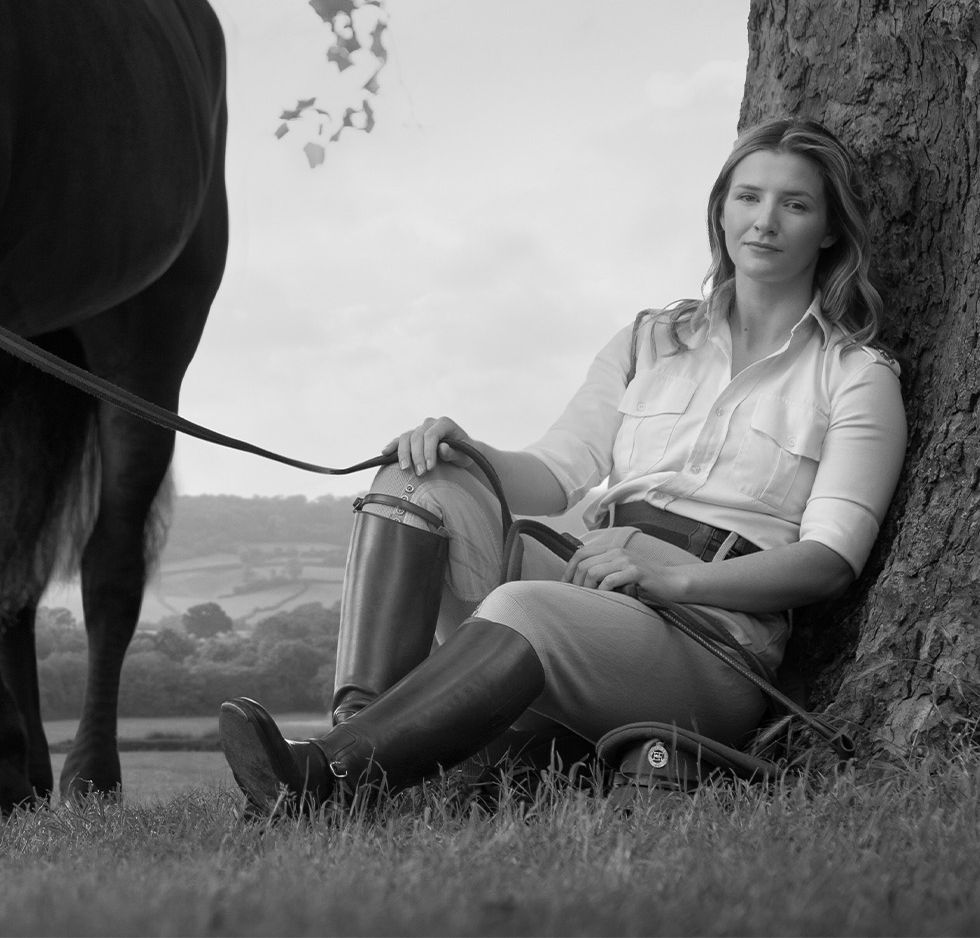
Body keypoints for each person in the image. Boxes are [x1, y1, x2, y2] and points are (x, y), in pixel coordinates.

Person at [220, 116, 907, 811]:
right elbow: (554, 474)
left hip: (712, 639)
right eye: (747, 197)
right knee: (416, 481)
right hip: (592, 580)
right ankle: (357, 739)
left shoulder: (852, 375)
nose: (763, 220)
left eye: (793, 203)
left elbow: (827, 561)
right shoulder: (651, 340)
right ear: (720, 210)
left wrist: (668, 576)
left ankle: (326, 780)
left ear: (825, 229)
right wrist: (469, 450)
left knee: (524, 607)